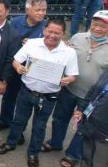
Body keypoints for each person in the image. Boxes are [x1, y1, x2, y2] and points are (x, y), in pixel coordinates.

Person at [0, 19, 79, 167]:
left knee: (39, 126)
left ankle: (33, 152)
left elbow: (73, 75)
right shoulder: (32, 44)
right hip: (26, 91)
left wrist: (67, 80)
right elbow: (16, 60)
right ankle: (10, 143)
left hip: (48, 97)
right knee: (18, 120)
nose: (52, 35)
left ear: (63, 34)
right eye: (50, 31)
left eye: (57, 33)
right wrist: (18, 67)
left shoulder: (69, 52)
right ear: (45, 30)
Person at [45, 11, 108, 166]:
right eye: (95, 24)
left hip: (92, 97)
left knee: (83, 127)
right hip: (69, 89)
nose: (98, 28)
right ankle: (55, 142)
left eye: (103, 26)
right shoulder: (77, 38)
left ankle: (73, 154)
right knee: (59, 119)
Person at [0, 0, 48, 134]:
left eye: (44, 10)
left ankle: (18, 130)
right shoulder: (15, 22)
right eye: (38, 10)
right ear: (28, 10)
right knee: (9, 96)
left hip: (34, 69)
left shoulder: (47, 25)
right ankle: (5, 120)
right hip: (14, 65)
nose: (41, 13)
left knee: (25, 102)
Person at [75, 70, 108, 167]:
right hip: (90, 121)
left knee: (100, 162)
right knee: (86, 155)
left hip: (105, 131)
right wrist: (80, 109)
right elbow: (93, 90)